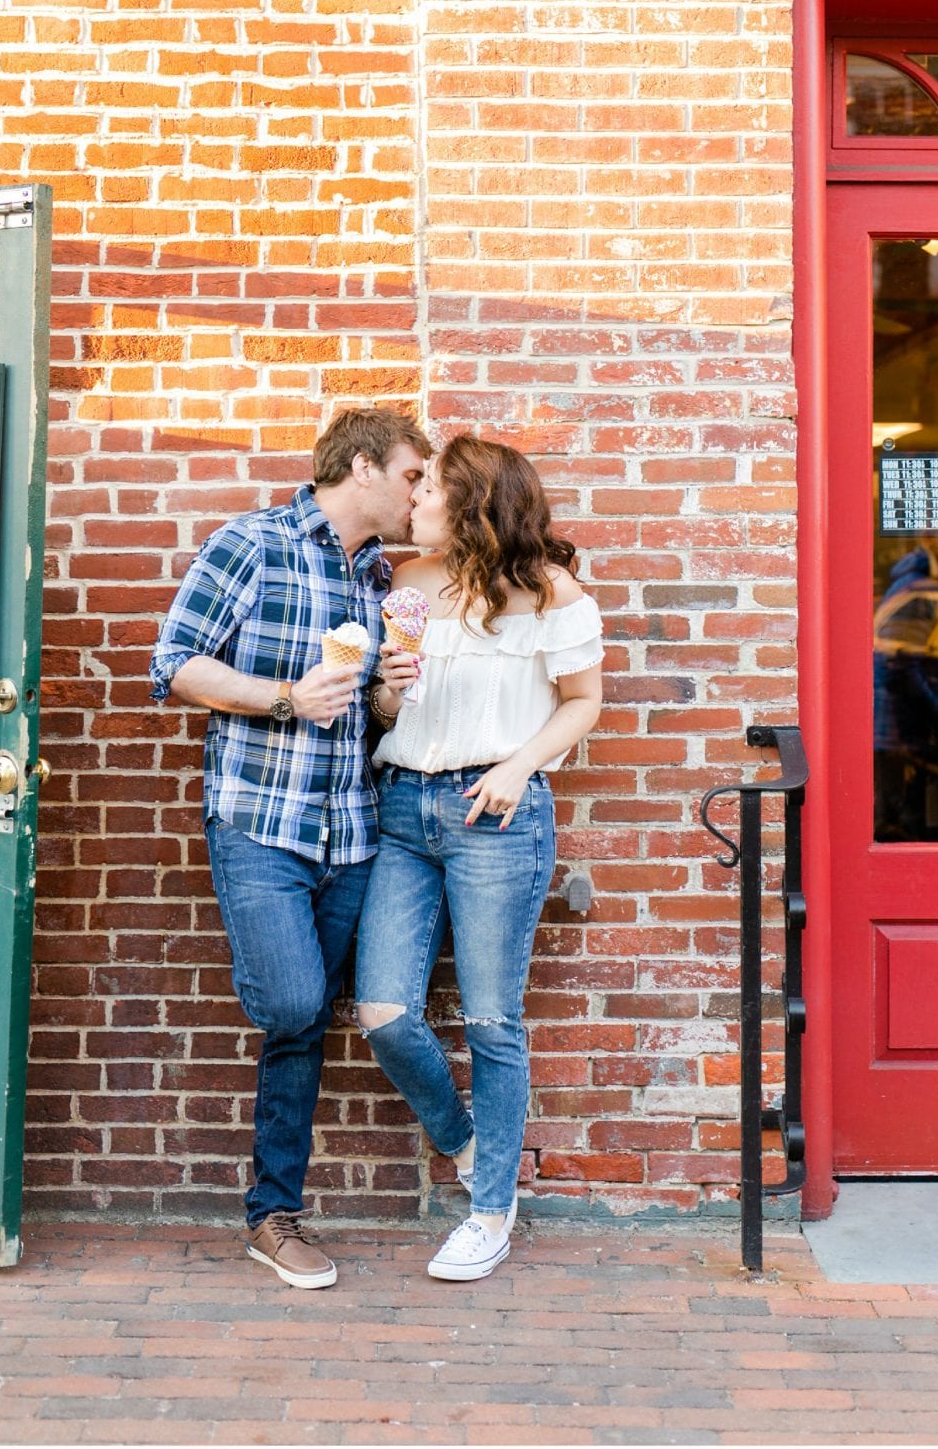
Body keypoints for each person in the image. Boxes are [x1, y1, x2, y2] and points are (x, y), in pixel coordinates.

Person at [149, 407, 431, 1288]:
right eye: (412, 475)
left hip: (349, 833)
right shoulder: (252, 543)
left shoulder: (379, 577)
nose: (420, 494)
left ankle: (273, 1216)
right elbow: (174, 663)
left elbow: (369, 722)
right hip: (261, 828)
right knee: (295, 1004)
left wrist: (388, 694)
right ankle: (273, 1212)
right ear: (360, 468)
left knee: (302, 1029)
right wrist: (283, 698)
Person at [356, 436, 603, 1283]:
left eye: (429, 490)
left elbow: (583, 703)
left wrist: (517, 764)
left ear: (471, 506)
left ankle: (491, 1210)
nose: (413, 499)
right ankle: (465, 1142)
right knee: (384, 1014)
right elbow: (391, 711)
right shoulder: (411, 583)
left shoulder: (553, 594)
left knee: (493, 1022)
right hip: (404, 810)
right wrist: (388, 687)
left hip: (495, 815)